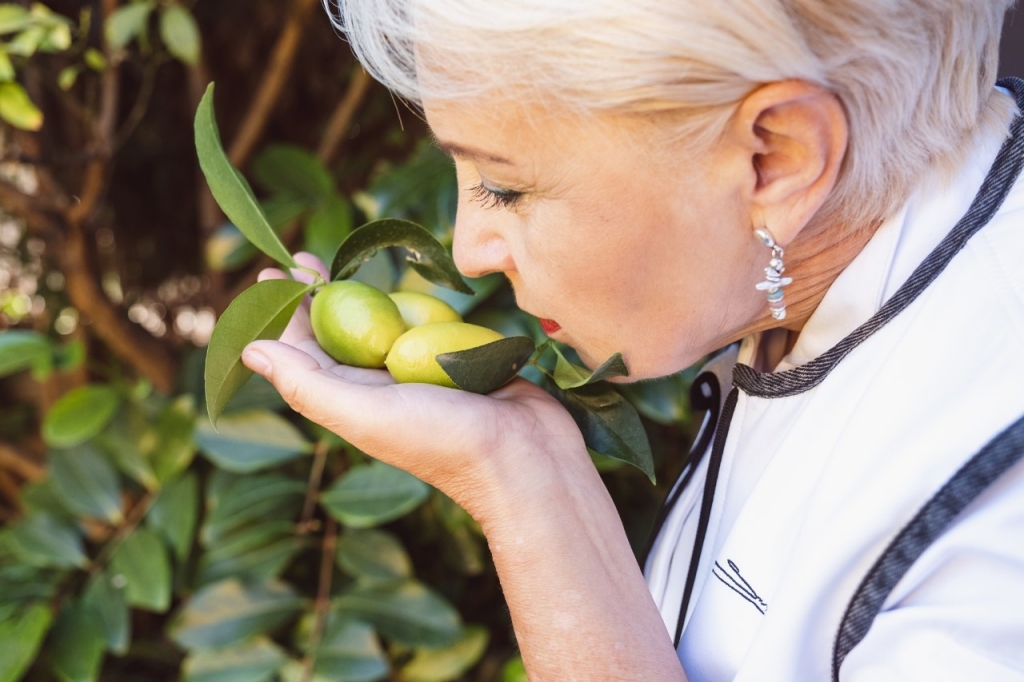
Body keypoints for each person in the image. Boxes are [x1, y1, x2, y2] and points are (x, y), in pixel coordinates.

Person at [241, 1, 1024, 678]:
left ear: (773, 160)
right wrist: (527, 468)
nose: (469, 247)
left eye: (505, 186)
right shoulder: (807, 286)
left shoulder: (994, 538)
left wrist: (520, 499)